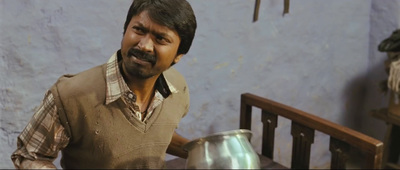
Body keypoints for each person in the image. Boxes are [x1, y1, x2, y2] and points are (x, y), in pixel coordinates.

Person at [11, 0, 197, 169]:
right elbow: (29, 156)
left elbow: (156, 134)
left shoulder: (177, 89)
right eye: (139, 30)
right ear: (125, 31)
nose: (145, 45)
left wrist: (204, 150)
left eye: (161, 39)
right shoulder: (71, 96)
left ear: (179, 54)